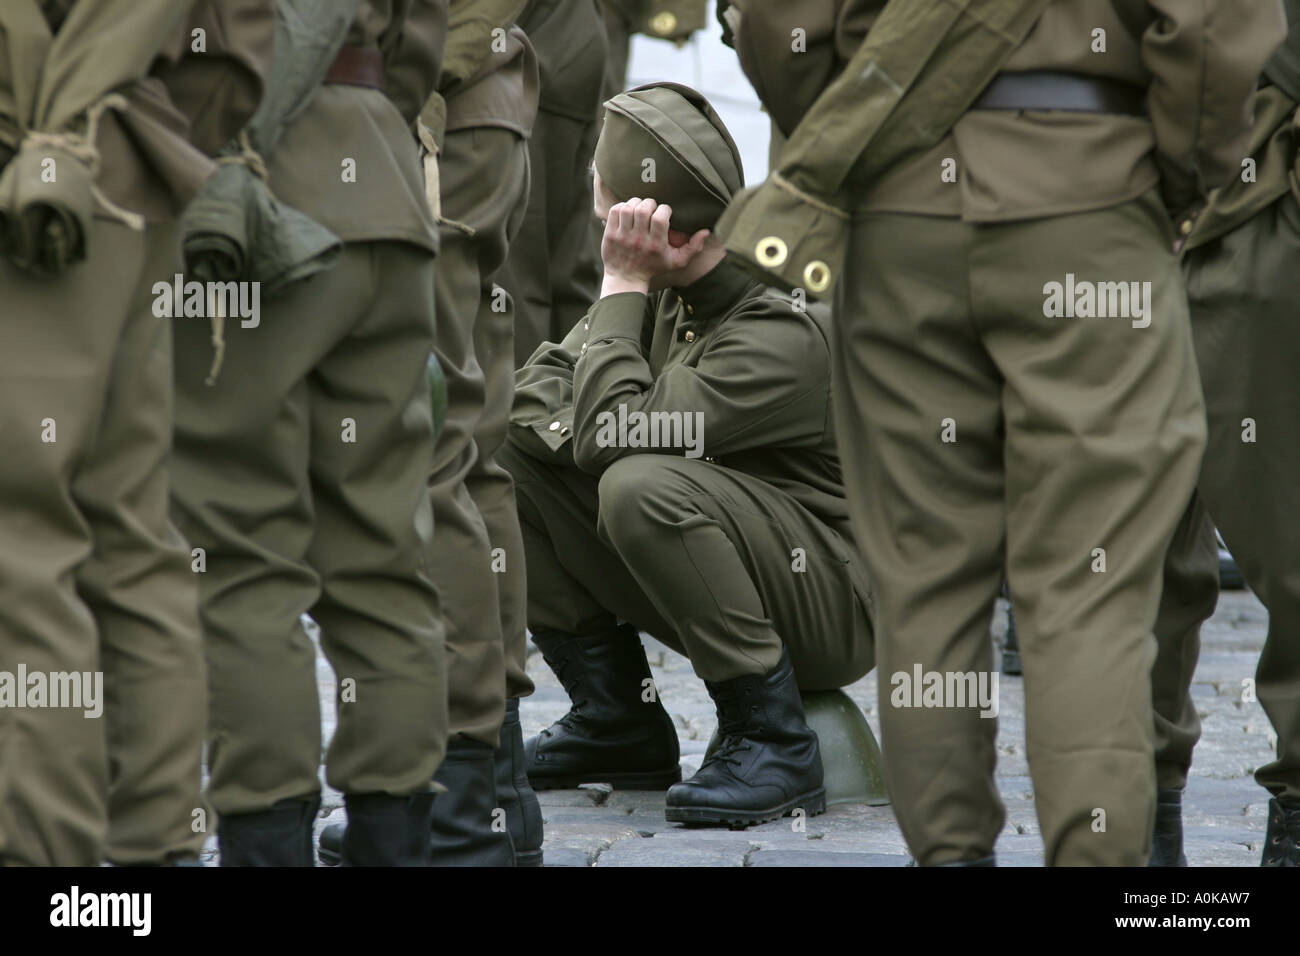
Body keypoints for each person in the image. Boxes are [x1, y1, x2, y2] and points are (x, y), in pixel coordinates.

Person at [722, 0, 1283, 864]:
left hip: (900, 223)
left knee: (924, 585)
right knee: (1087, 590)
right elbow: (1210, 27)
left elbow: (773, 21)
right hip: (1090, 200)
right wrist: (1175, 177)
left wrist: (867, 130)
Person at [503, 82, 875, 826]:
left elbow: (612, 437)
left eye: (607, 205)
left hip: (830, 597)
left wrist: (622, 283)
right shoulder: (671, 290)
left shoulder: (781, 327)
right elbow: (529, 395)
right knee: (512, 464)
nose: (602, 222)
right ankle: (616, 720)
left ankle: (771, 740)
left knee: (638, 485)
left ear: (647, 223)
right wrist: (596, 413)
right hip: (726, 556)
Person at [169, 0, 452, 866]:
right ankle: (393, 841)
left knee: (240, 554)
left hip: (247, 195)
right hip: (383, 180)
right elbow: (417, 43)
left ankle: (267, 840)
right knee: (382, 556)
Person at [0, 0, 272, 866]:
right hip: (126, 158)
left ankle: (51, 866)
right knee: (126, 531)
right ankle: (148, 855)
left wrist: (62, 133)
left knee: (23, 540)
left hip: (49, 165)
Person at [319, 1, 545, 867]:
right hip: (466, 105)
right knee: (467, 447)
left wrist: (401, 97)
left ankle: (457, 806)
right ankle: (492, 794)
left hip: (435, 116)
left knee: (428, 453)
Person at [1150, 0, 1300, 867]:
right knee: (1119, 548)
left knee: (1289, 533)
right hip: (1106, 188)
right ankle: (1137, 824)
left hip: (1265, 177)